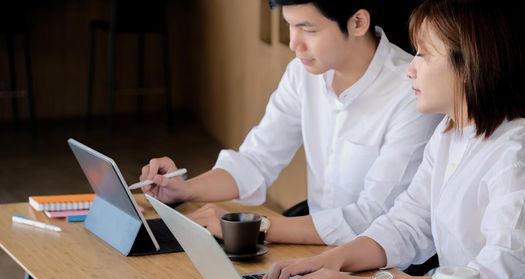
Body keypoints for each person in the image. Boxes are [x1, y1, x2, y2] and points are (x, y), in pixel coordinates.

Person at [261, 0, 525, 279]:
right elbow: (408, 221)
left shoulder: (515, 155)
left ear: (469, 65)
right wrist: (335, 260)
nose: (411, 68)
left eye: (424, 54)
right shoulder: (449, 131)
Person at [139, 0, 442, 245]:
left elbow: (371, 218)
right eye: (289, 27)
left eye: (307, 29)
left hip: (382, 262)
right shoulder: (303, 73)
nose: (294, 44)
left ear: (358, 22)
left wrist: (254, 227)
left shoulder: (411, 91)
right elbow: (257, 161)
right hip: (314, 237)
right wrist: (183, 190)